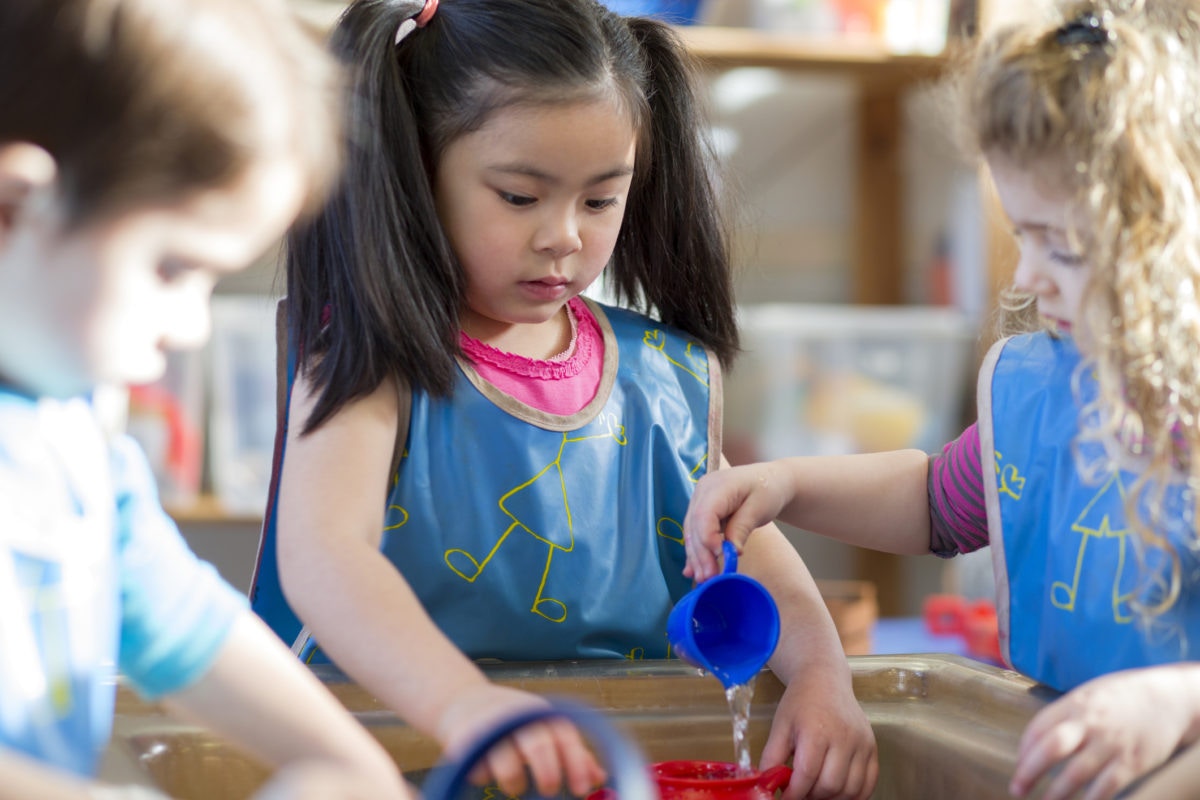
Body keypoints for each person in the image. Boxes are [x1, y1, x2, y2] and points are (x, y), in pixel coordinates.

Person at [247, 1, 877, 799]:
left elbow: (753, 551)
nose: (565, 237)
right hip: (386, 767)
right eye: (519, 197)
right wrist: (464, 704)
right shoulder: (373, 357)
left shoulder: (658, 382)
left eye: (599, 199)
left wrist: (823, 677)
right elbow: (325, 556)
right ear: (416, 170)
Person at [682, 2, 1200, 799]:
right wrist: (789, 483)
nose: (1026, 276)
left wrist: (1177, 702)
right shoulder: (1040, 383)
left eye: (1063, 246)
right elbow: (937, 502)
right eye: (1021, 234)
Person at [0, 0, 412, 797]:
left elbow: (191, 628)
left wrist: (350, 770)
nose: (191, 327)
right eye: (172, 268)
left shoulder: (76, 445)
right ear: (13, 208)